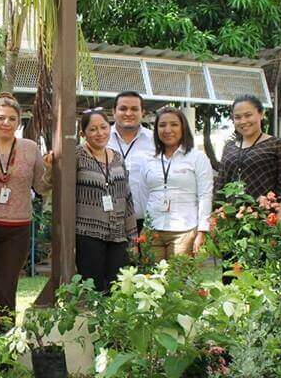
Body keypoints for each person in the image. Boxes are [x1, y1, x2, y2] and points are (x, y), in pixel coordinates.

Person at [0, 94, 51, 315]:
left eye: (12, 119)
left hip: (17, 230)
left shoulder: (30, 148)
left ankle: (5, 340)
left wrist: (51, 171)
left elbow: (41, 187)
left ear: (18, 122)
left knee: (5, 288)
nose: (6, 123)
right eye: (1, 117)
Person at [75, 109, 137, 293]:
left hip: (118, 234)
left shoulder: (117, 157)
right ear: (83, 133)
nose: (100, 133)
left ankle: (114, 323)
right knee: (92, 290)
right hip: (88, 233)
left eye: (103, 127)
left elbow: (126, 197)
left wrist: (132, 237)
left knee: (118, 289)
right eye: (93, 129)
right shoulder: (77, 155)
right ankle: (92, 322)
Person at [142, 107, 213, 260]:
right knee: (151, 279)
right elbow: (145, 192)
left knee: (178, 280)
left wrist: (202, 231)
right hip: (152, 229)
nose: (167, 129)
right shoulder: (148, 159)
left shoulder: (197, 158)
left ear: (183, 128)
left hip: (184, 231)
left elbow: (205, 195)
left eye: (174, 124)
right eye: (162, 125)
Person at [107, 91, 153, 234]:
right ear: (114, 112)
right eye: (123, 108)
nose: (128, 113)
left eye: (134, 109)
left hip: (146, 223)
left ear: (142, 112)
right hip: (109, 220)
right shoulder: (101, 138)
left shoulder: (154, 140)